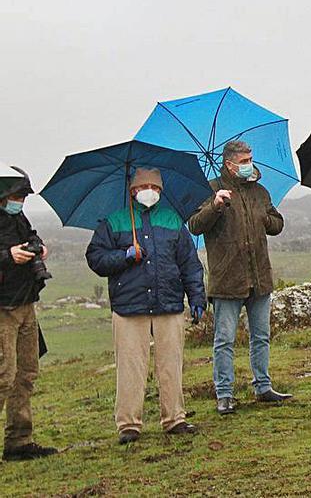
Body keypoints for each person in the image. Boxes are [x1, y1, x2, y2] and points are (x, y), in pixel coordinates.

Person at [86, 169, 204, 444]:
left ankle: (175, 419)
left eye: (155, 187)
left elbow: (189, 264)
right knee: (130, 366)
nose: (150, 191)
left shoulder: (173, 220)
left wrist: (197, 297)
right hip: (129, 306)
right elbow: (96, 258)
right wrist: (124, 256)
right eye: (144, 186)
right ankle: (128, 424)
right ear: (132, 190)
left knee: (171, 364)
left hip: (169, 304)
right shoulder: (114, 222)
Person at [188, 140, 292, 415]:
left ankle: (263, 386)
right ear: (229, 163)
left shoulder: (260, 191)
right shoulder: (209, 190)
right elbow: (195, 225)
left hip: (259, 276)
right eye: (244, 161)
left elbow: (277, 223)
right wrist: (216, 205)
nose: (249, 165)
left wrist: (265, 220)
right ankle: (224, 394)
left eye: (250, 159)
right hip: (227, 278)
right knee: (224, 339)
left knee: (261, 336)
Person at [0, 167, 57, 461]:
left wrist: (39, 248)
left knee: (26, 373)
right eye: (16, 195)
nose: (20, 200)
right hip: (3, 308)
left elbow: (30, 235)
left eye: (22, 196)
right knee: (3, 375)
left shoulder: (17, 218)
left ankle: (19, 441)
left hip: (25, 302)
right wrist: (8, 256)